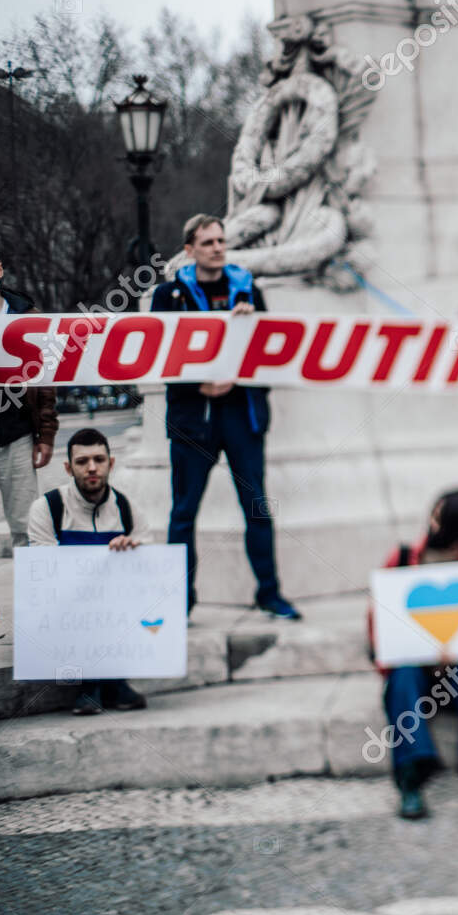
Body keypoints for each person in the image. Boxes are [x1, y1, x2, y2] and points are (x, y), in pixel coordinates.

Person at [151, 216, 300, 620]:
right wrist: (198, 385)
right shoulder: (169, 294)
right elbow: (158, 352)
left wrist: (249, 334)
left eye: (221, 240)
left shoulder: (248, 289)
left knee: (257, 509)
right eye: (207, 242)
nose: (217, 247)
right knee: (184, 513)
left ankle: (269, 593)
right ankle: (180, 603)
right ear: (189, 249)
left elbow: (271, 349)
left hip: (242, 413)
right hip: (193, 416)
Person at [370, 490, 458, 819]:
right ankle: (411, 776)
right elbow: (379, 624)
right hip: (415, 671)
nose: (431, 520)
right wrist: (419, 651)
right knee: (402, 675)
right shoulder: (402, 559)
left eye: (438, 515)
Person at [27, 427, 153, 715]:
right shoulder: (47, 507)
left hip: (113, 606)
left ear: (112, 462)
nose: (92, 468)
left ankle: (107, 681)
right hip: (67, 609)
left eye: (99, 459)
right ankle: (92, 682)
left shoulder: (127, 507)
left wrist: (133, 549)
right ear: (68, 468)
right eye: (82, 462)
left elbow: (153, 564)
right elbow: (41, 571)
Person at [0, 241, 58, 550]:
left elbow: (45, 380)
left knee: (28, 529)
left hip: (19, 434)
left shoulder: (26, 314)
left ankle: (33, 596)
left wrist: (46, 434)